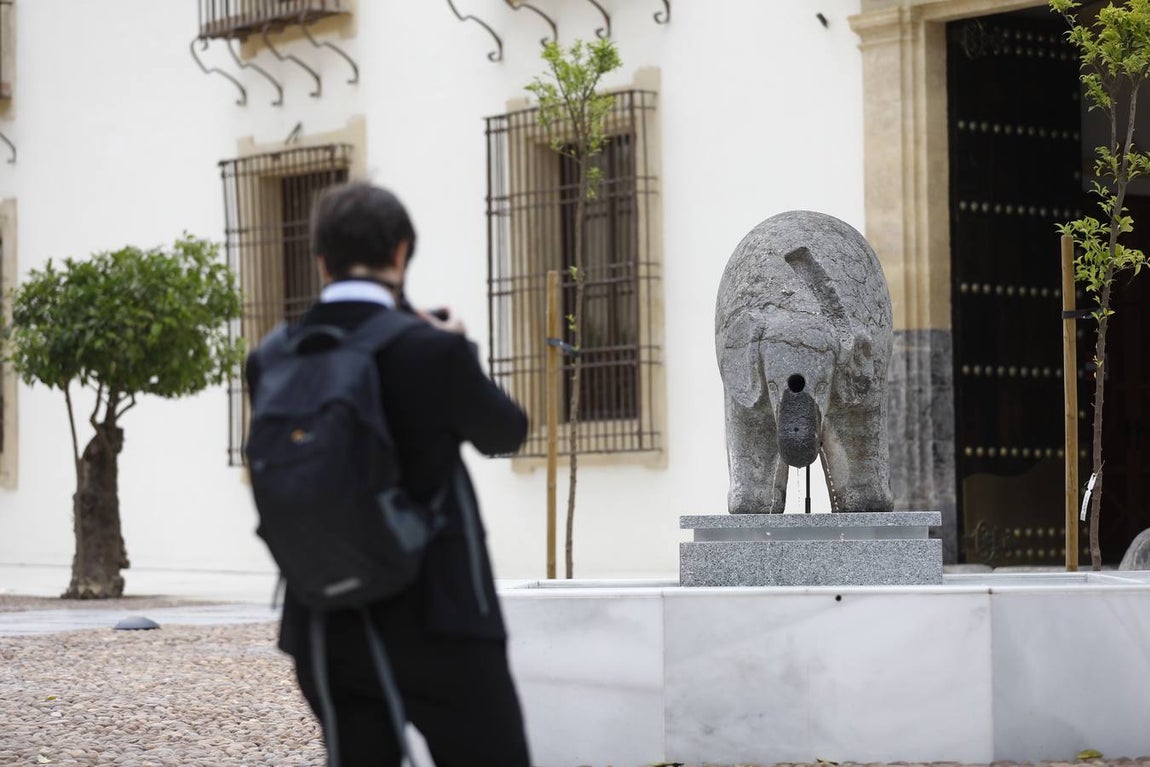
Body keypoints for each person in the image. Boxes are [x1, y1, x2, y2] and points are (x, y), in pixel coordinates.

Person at [245, 181, 532, 767]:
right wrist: (458, 346)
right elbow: (506, 433)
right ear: (401, 253)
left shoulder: (272, 356)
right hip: (441, 616)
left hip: (326, 619)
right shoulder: (432, 351)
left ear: (321, 259)